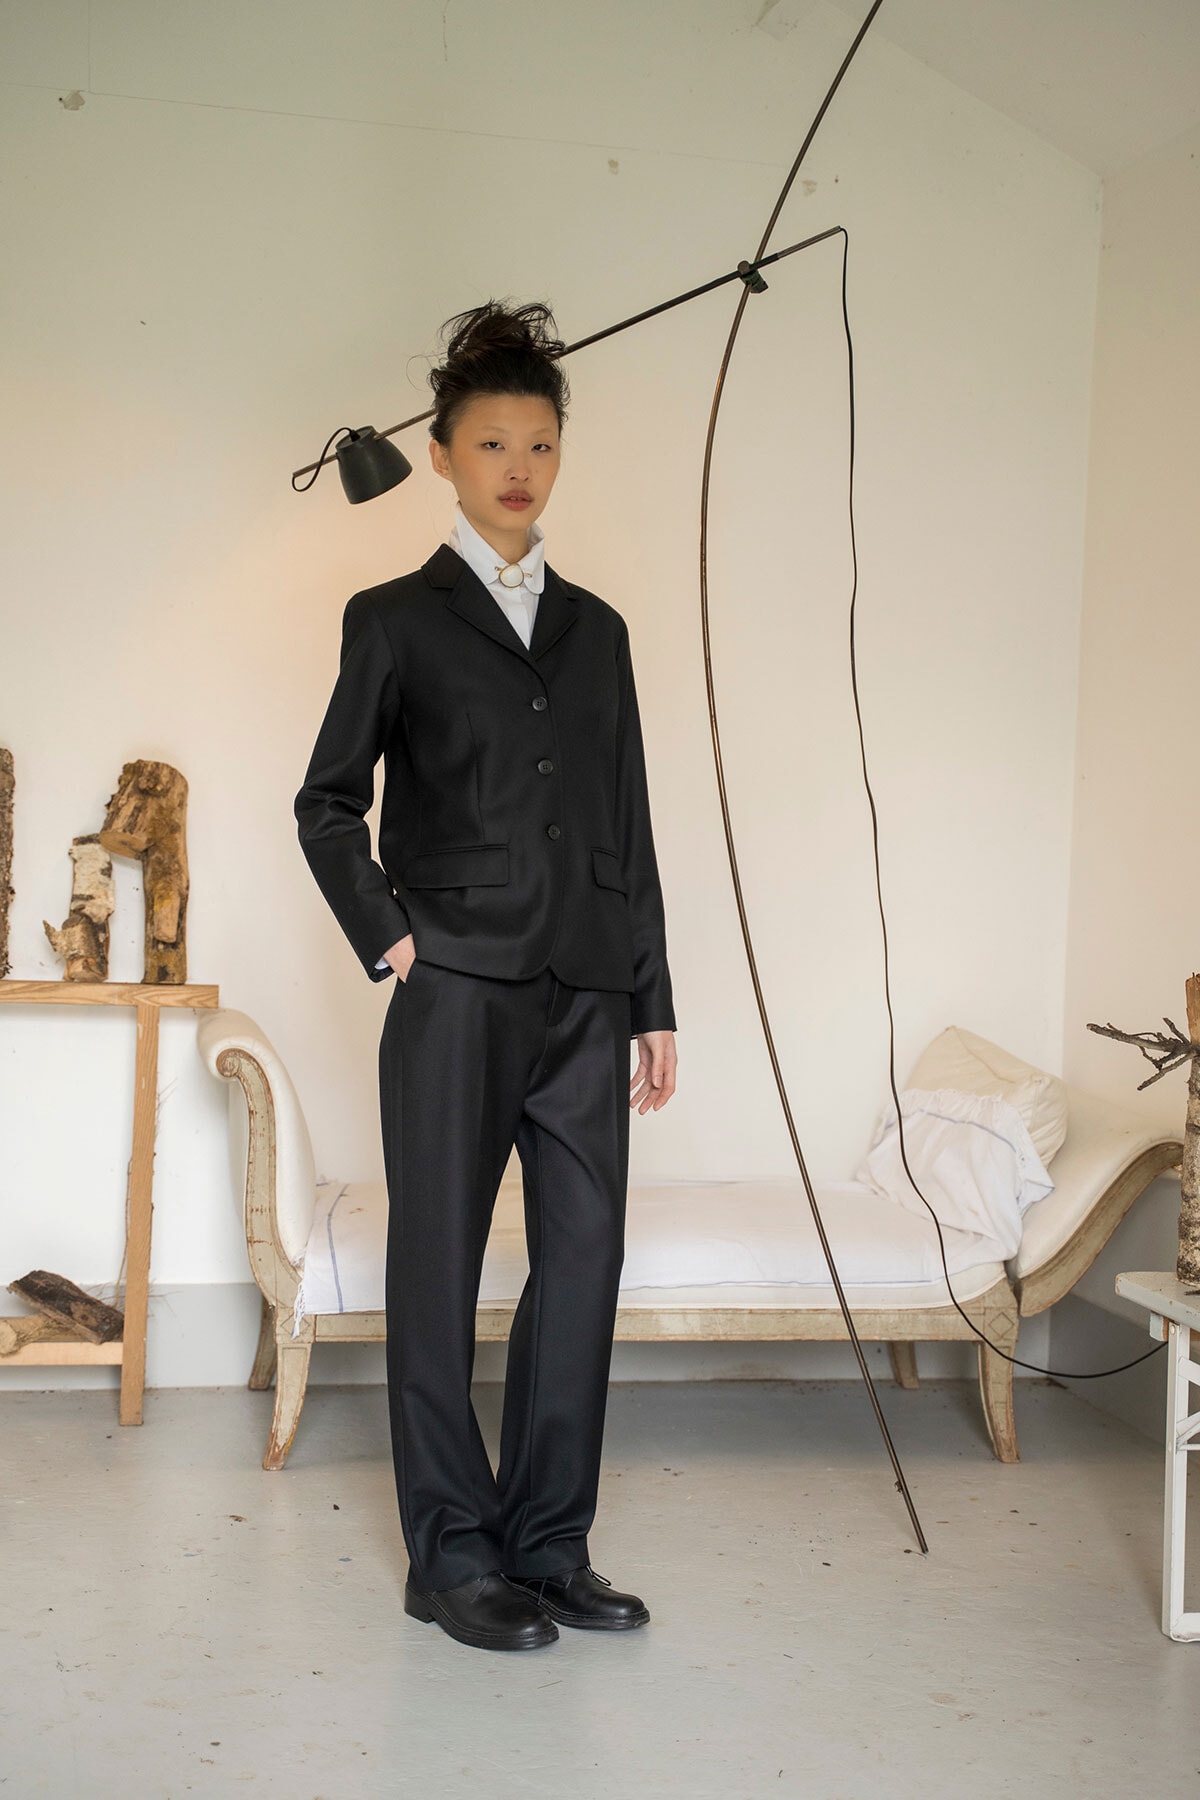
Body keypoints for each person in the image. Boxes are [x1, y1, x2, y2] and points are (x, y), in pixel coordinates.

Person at [294, 298, 678, 1654]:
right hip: (454, 988)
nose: (520, 467)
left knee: (585, 1258)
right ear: (445, 455)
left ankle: (550, 1543)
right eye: (494, 443)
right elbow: (326, 803)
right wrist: (393, 934)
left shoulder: (600, 630)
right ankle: (450, 1554)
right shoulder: (394, 619)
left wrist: (652, 999)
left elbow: (628, 825)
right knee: (439, 1266)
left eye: (541, 444)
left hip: (587, 993)